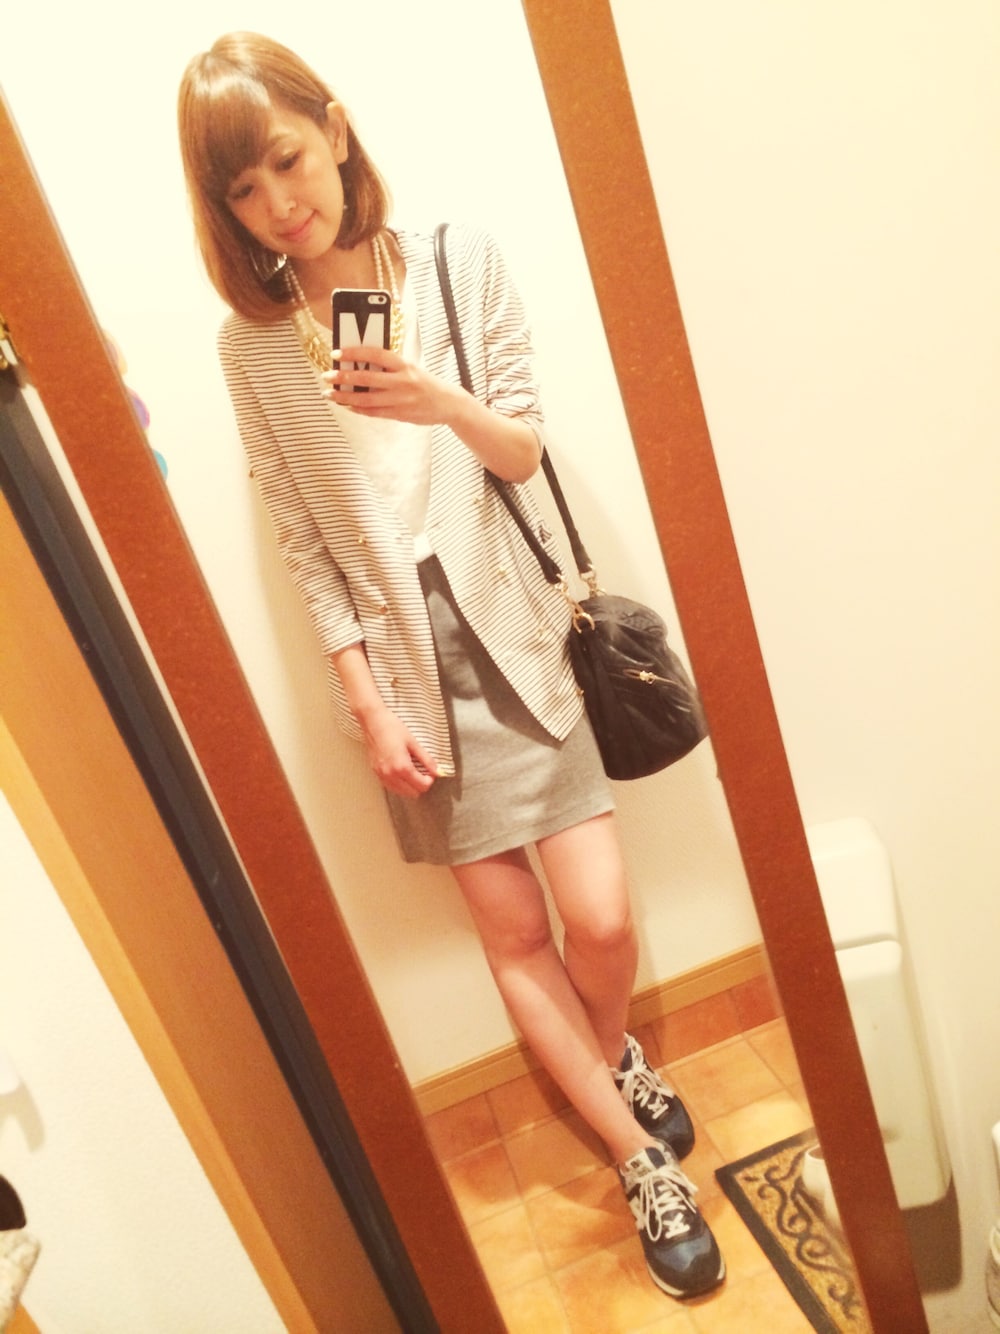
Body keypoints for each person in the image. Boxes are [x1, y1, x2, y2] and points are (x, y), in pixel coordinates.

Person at [177, 31, 724, 1301]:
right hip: (408, 673)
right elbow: (305, 542)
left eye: (287, 159)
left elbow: (522, 450)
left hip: (518, 634)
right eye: (244, 190)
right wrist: (364, 704)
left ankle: (605, 1061)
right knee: (515, 931)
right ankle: (637, 1151)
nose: (280, 203)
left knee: (599, 917)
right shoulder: (251, 346)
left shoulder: (455, 260)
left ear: (335, 130)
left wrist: (433, 400)